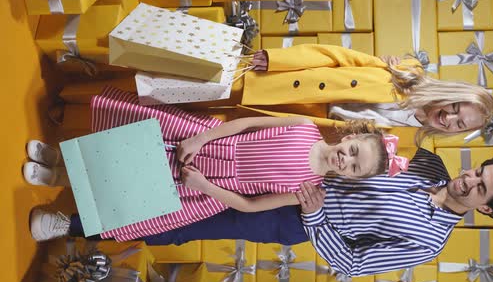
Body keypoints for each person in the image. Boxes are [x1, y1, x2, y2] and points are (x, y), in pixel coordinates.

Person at [30, 147, 493, 276]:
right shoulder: (428, 162)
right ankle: (70, 172)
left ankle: (70, 225)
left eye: (480, 189)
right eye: (478, 171)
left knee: (184, 222)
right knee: (185, 165)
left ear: (485, 210)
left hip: (291, 217)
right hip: (300, 162)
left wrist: (313, 217)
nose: (469, 180)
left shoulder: (430, 242)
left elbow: (353, 263)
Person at [26, 86, 408, 242]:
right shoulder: (305, 127)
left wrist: (206, 187)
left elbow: (249, 204)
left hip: (210, 186)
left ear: (350, 178)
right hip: (210, 143)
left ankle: (54, 184)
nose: (347, 159)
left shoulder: (306, 189)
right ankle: (58, 161)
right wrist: (201, 137)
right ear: (351, 136)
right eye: (355, 150)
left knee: (132, 186)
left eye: (354, 167)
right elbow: (246, 124)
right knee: (121, 150)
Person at [244, 44, 493, 144]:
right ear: (451, 94)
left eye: (459, 124)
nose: (449, 119)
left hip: (298, 129)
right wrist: (278, 59)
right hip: (288, 85)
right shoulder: (407, 73)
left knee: (219, 126)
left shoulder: (407, 146)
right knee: (210, 86)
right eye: (454, 109)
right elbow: (339, 57)